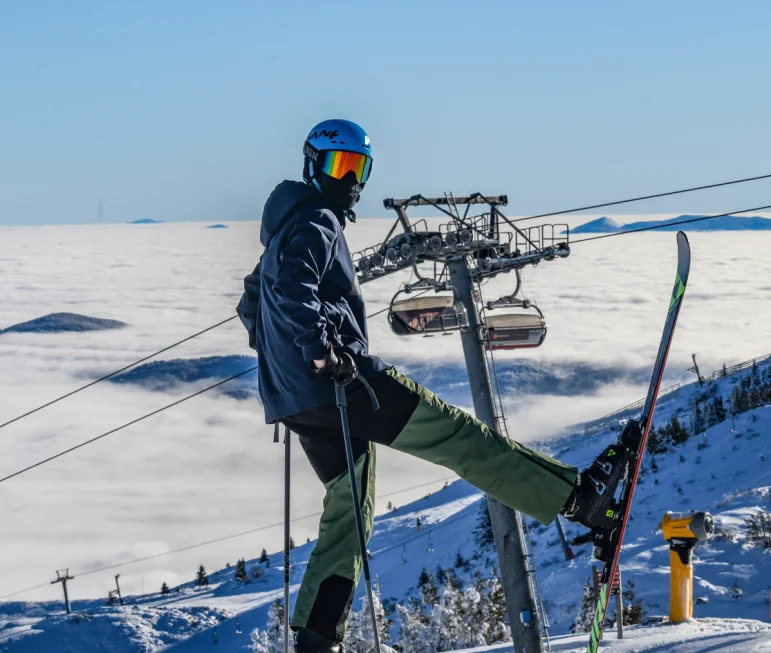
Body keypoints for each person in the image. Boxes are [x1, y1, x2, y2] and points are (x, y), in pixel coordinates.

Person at [236, 119, 630, 652]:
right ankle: (580, 498)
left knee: (350, 512)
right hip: (340, 383)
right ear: (313, 167)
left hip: (296, 400)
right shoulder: (316, 220)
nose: (349, 179)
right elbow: (291, 289)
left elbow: (252, 301)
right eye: (339, 166)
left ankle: (316, 639)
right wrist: (320, 351)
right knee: (459, 438)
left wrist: (284, 363)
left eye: (358, 167)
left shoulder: (283, 227)